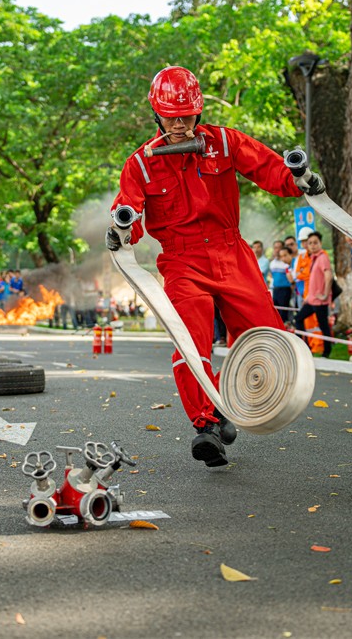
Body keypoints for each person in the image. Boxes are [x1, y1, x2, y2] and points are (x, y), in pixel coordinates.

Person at [107, 66, 306, 468]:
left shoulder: (224, 142)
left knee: (266, 336)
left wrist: (299, 180)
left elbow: (269, 168)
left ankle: (238, 402)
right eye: (170, 116)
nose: (180, 125)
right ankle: (207, 425)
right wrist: (121, 228)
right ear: (156, 114)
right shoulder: (141, 164)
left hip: (232, 252)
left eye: (187, 116)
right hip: (181, 261)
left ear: (198, 111)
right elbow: (129, 213)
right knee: (190, 340)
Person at [294, 231, 334, 358]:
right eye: (310, 243)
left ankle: (326, 352)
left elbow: (329, 276)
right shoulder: (313, 258)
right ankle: (304, 348)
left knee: (323, 326)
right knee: (298, 319)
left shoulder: (322, 257)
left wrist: (325, 294)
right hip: (312, 300)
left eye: (315, 243)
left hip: (320, 301)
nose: (312, 245)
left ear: (320, 243)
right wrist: (308, 297)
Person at [270, 246, 294, 325]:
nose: (283, 258)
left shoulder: (287, 265)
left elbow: (291, 279)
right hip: (276, 289)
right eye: (281, 256)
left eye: (285, 255)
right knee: (276, 310)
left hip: (285, 289)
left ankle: (284, 327)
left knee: (284, 311)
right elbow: (271, 276)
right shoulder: (272, 263)